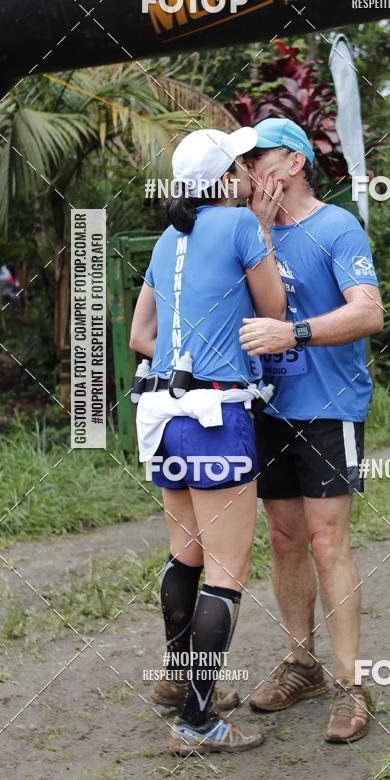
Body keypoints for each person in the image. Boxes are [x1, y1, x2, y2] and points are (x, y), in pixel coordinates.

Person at [129, 126, 286, 755]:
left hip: (163, 411)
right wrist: (265, 232)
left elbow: (143, 333)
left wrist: (187, 343)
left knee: (185, 555)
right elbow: (273, 313)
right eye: (240, 166)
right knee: (228, 570)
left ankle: (180, 685)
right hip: (217, 411)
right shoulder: (241, 224)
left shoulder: (171, 237)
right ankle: (197, 722)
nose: (251, 173)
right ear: (228, 179)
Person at [239, 118, 383, 743]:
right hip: (266, 408)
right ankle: (303, 664)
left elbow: (368, 312)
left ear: (293, 162)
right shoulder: (250, 230)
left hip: (328, 404)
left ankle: (351, 685)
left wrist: (294, 332)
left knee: (328, 542)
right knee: (285, 537)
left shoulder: (336, 225)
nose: (246, 169)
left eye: (257, 157)